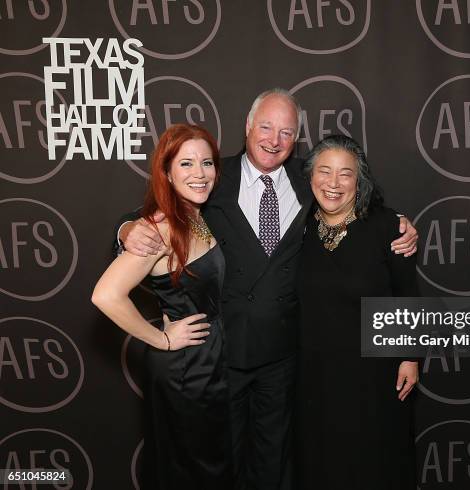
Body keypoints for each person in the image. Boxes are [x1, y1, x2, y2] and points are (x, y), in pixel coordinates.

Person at [117, 88, 418, 490]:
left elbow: (354, 201)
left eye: (287, 133)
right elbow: (154, 212)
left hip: (284, 355)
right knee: (221, 460)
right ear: (247, 128)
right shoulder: (211, 177)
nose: (274, 140)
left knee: (274, 461)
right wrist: (126, 229)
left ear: (297, 141)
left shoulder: (308, 178)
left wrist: (399, 224)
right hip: (222, 353)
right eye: (266, 127)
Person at [93, 124, 232, 490]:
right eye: (186, 164)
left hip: (209, 362)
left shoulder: (196, 215)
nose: (199, 173)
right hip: (186, 370)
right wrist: (163, 340)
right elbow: (105, 295)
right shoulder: (162, 227)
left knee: (205, 466)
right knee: (189, 469)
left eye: (207, 163)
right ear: (166, 173)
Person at [295, 134, 419, 489]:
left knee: (374, 460)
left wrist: (410, 356)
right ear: (310, 177)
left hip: (374, 376)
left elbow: (407, 294)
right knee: (321, 460)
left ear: (359, 181)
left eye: (345, 174)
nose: (333, 183)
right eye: (325, 171)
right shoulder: (297, 227)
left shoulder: (387, 228)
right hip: (313, 375)